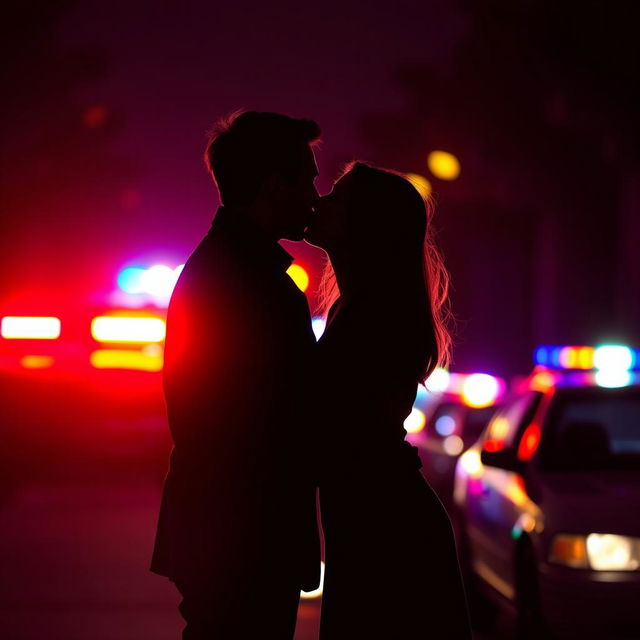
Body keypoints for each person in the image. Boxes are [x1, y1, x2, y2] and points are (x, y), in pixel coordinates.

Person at [150, 110, 322, 639]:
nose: (315, 195)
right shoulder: (243, 282)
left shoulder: (232, 269)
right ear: (274, 186)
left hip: (227, 532)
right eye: (308, 178)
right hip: (241, 536)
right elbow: (262, 417)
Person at [305, 162, 472, 639]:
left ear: (367, 223)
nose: (320, 200)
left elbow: (333, 427)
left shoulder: (376, 315)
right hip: (372, 515)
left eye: (337, 195)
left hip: (386, 525)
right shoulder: (353, 307)